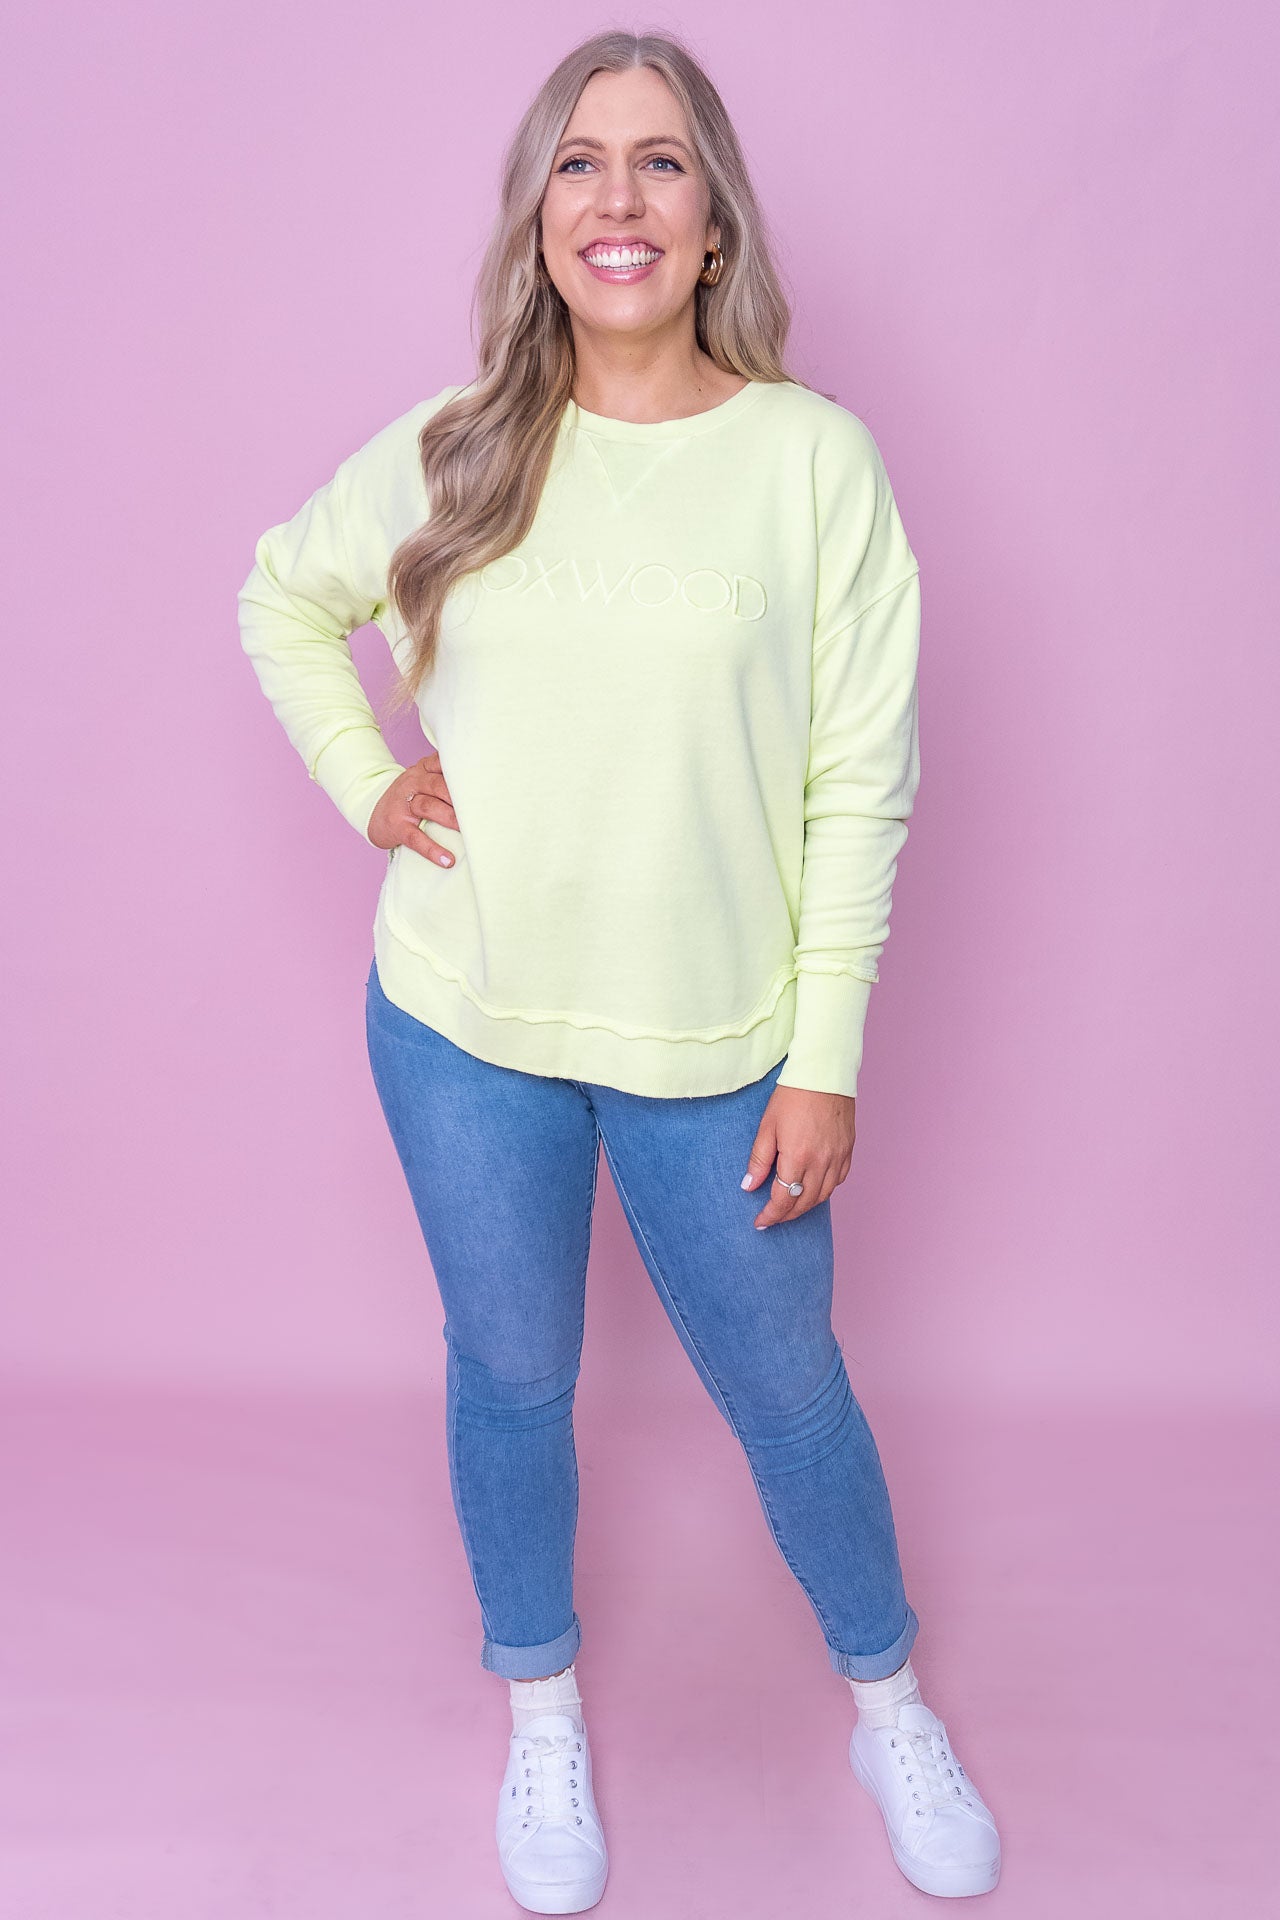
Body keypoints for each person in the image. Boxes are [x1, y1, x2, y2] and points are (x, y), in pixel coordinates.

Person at [236, 26, 1001, 1913]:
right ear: (540, 221)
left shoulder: (812, 461)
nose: (619, 198)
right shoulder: (458, 445)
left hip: (722, 1043)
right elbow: (283, 594)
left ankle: (888, 1701)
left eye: (661, 161)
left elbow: (860, 781)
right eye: (579, 164)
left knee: (792, 1394)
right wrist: (363, 778)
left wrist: (825, 1054)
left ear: (713, 222)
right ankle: (543, 1714)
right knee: (511, 1381)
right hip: (464, 1023)